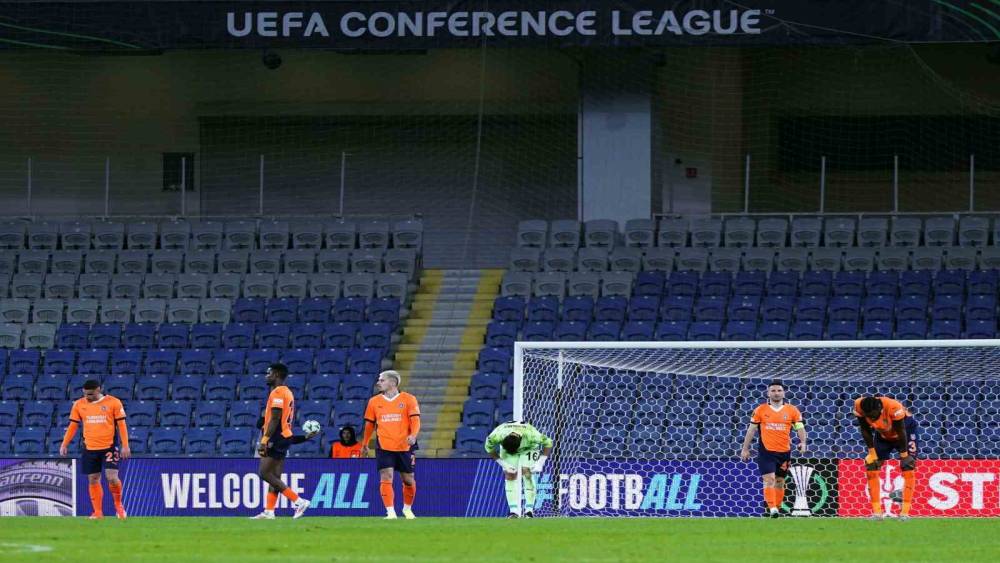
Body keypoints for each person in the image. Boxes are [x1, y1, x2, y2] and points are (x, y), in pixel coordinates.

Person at [59, 379, 130, 520]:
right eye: (85, 394)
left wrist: (125, 445)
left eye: (90, 394)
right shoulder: (79, 404)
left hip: (109, 446)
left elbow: (121, 425)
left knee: (112, 477)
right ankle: (98, 512)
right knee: (93, 479)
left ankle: (119, 506)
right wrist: (64, 443)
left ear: (98, 390)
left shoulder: (113, 402)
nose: (87, 397)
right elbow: (73, 425)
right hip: (90, 447)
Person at [251, 363, 314, 520]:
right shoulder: (287, 392)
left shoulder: (278, 392)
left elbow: (275, 417)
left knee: (264, 473)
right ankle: (269, 511)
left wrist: (265, 439)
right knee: (275, 476)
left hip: (276, 437)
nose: (267, 376)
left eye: (269, 373)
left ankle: (299, 501)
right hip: (284, 436)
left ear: (277, 374)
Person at [739, 380, 807, 518]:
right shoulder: (760, 410)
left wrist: (803, 442)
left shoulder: (792, 410)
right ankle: (772, 509)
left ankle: (777, 508)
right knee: (769, 479)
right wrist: (745, 449)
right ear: (768, 393)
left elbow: (799, 427)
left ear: (784, 393)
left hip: (784, 452)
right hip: (766, 451)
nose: (776, 393)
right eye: (773, 391)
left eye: (779, 391)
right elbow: (751, 430)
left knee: (780, 481)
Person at [361, 370, 420, 519]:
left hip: (405, 445)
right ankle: (390, 512)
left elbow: (415, 421)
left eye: (382, 380)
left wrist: (413, 435)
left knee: (408, 479)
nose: (378, 383)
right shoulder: (374, 401)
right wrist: (365, 443)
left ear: (392, 382)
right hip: (384, 445)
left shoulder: (409, 399)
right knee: (386, 476)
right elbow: (369, 425)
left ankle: (407, 509)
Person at [854, 395, 918, 520]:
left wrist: (904, 455)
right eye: (869, 416)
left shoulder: (894, 407)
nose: (871, 419)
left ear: (880, 409)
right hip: (883, 435)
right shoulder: (859, 405)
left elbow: (901, 431)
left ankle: (905, 513)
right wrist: (872, 453)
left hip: (906, 432)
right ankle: (877, 514)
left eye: (874, 415)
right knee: (872, 466)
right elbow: (865, 429)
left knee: (908, 466)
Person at [484, 421, 553, 518]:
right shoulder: (496, 436)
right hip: (508, 449)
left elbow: (549, 443)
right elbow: (489, 449)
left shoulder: (532, 435)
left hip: (529, 447)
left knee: (527, 473)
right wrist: (503, 464)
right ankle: (513, 511)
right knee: (510, 474)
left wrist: (540, 462)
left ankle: (529, 510)